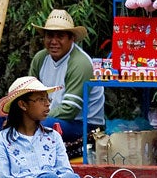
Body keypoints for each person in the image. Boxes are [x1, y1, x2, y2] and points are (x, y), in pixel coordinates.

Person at [21, 9, 105, 142]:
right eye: (49, 36)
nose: (53, 42)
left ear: (71, 39)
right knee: (1, 117)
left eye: (60, 36)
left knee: (41, 125)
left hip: (83, 124)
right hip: (48, 116)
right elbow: (29, 93)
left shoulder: (80, 63)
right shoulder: (40, 58)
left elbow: (69, 109)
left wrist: (33, 116)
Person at [0, 76, 82, 178]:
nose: (47, 104)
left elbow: (65, 171)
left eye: (48, 99)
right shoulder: (1, 140)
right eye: (40, 99)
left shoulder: (53, 137)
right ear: (23, 105)